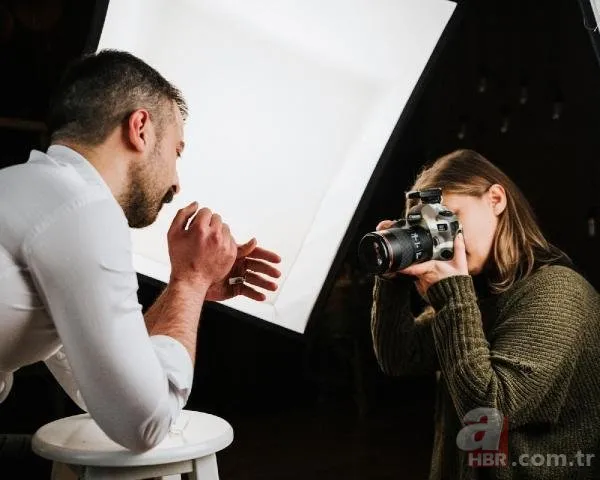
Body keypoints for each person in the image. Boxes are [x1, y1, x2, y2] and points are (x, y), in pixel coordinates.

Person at [0, 49, 282, 451]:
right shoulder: (82, 208)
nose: (176, 181)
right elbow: (143, 422)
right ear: (141, 128)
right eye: (176, 151)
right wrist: (192, 278)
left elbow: (100, 382)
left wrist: (187, 291)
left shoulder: (29, 188)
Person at [370, 149, 600, 479]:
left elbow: (490, 411)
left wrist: (453, 293)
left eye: (450, 219)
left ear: (495, 199)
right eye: (429, 227)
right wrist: (391, 281)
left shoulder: (557, 291)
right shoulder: (479, 294)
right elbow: (399, 357)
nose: (444, 238)